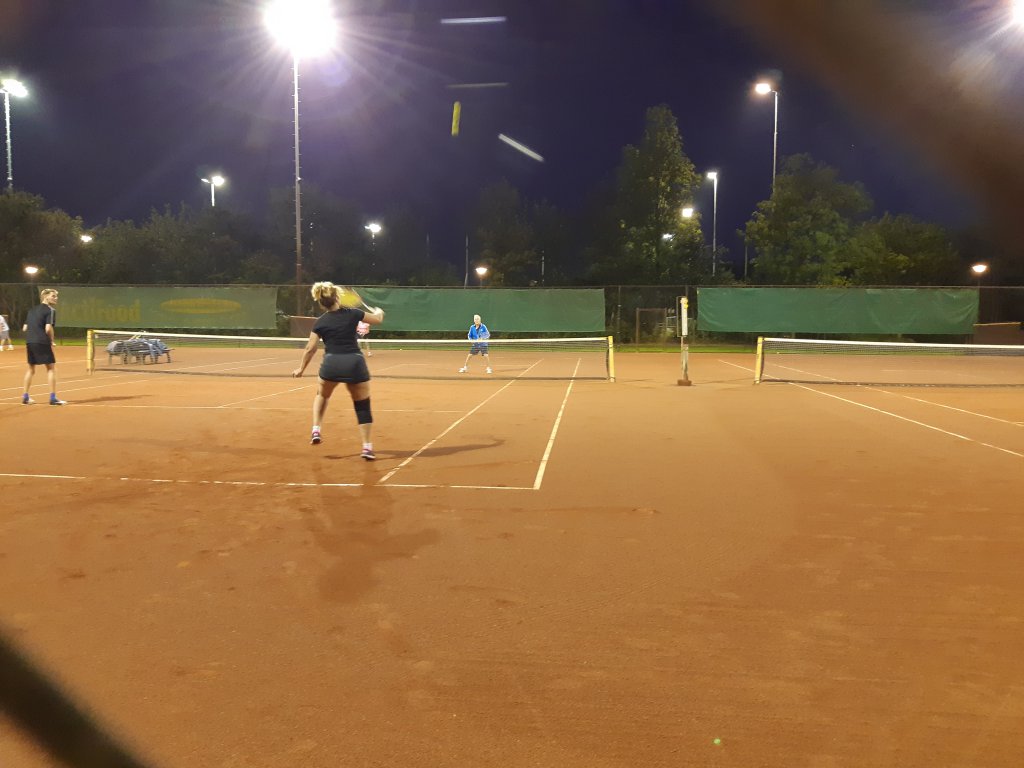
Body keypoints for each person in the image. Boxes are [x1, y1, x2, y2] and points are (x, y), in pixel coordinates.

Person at [292, 282, 384, 459]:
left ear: (321, 303)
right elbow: (377, 320)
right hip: (354, 363)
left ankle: (316, 430)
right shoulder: (353, 313)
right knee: (362, 405)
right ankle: (367, 447)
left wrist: (301, 369)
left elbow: (310, 348)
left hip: (331, 364)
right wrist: (379, 312)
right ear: (336, 297)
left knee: (322, 395)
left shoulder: (320, 322)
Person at [22, 289, 66, 405]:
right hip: (41, 341)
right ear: (45, 297)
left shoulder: (31, 310)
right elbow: (48, 328)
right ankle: (53, 398)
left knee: (31, 369)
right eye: (53, 296)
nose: (56, 298)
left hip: (30, 342)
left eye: (56, 296)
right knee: (51, 368)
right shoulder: (50, 310)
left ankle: (25, 397)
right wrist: (51, 340)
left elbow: (25, 328)